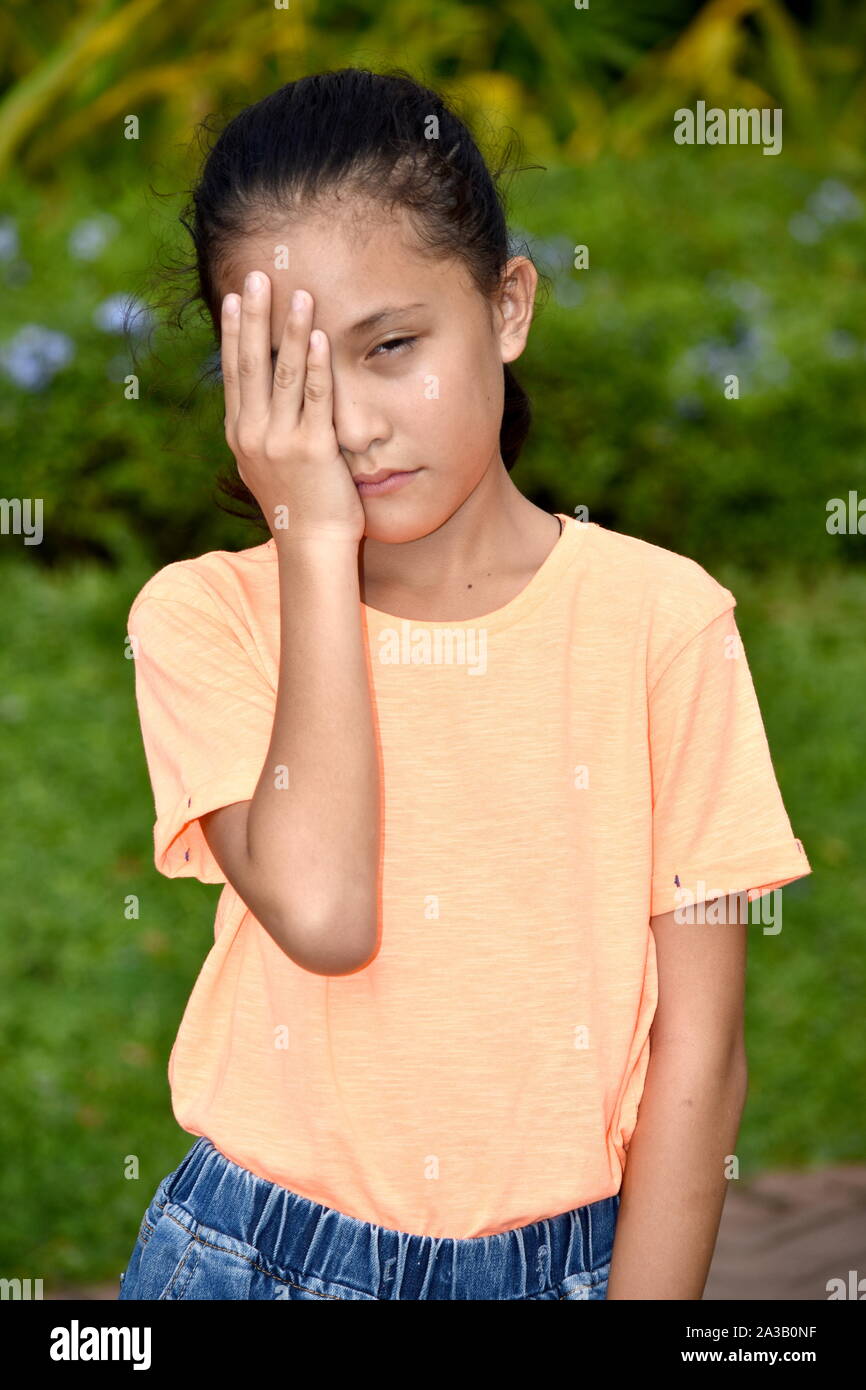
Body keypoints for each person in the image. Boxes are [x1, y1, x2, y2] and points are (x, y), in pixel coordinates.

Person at [118, 67, 811, 1301]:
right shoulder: (204, 618)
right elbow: (326, 914)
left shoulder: (662, 620)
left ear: (506, 306)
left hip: (564, 1270)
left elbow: (696, 1053)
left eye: (391, 347)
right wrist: (315, 548)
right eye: (290, 377)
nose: (353, 426)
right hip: (246, 1257)